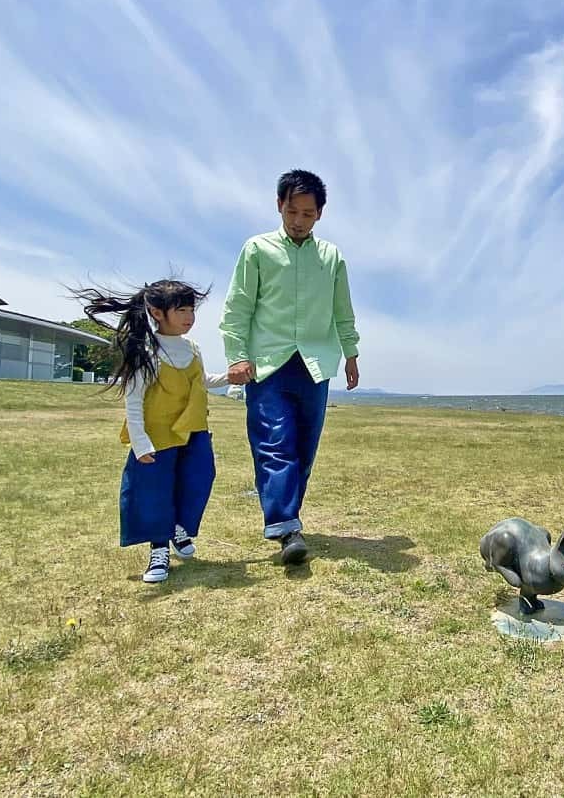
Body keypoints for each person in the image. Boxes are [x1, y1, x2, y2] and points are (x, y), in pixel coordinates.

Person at [220, 169, 360, 565]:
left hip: (315, 364)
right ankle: (285, 526)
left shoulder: (331, 257)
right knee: (274, 441)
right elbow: (238, 308)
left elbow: (342, 311)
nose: (299, 221)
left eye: (308, 214)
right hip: (267, 362)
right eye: (292, 211)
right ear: (279, 205)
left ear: (320, 214)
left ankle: (288, 516)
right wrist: (237, 355)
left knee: (304, 445)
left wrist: (351, 353)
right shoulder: (257, 249)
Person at [75, 280, 230, 583]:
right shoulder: (147, 352)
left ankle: (179, 527)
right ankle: (159, 550)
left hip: (194, 430)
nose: (189, 317)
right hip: (156, 436)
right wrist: (140, 443)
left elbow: (201, 380)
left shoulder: (192, 348)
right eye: (182, 310)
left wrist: (232, 377)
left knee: (200, 478)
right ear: (157, 313)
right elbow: (133, 402)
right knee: (154, 493)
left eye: (191, 310)